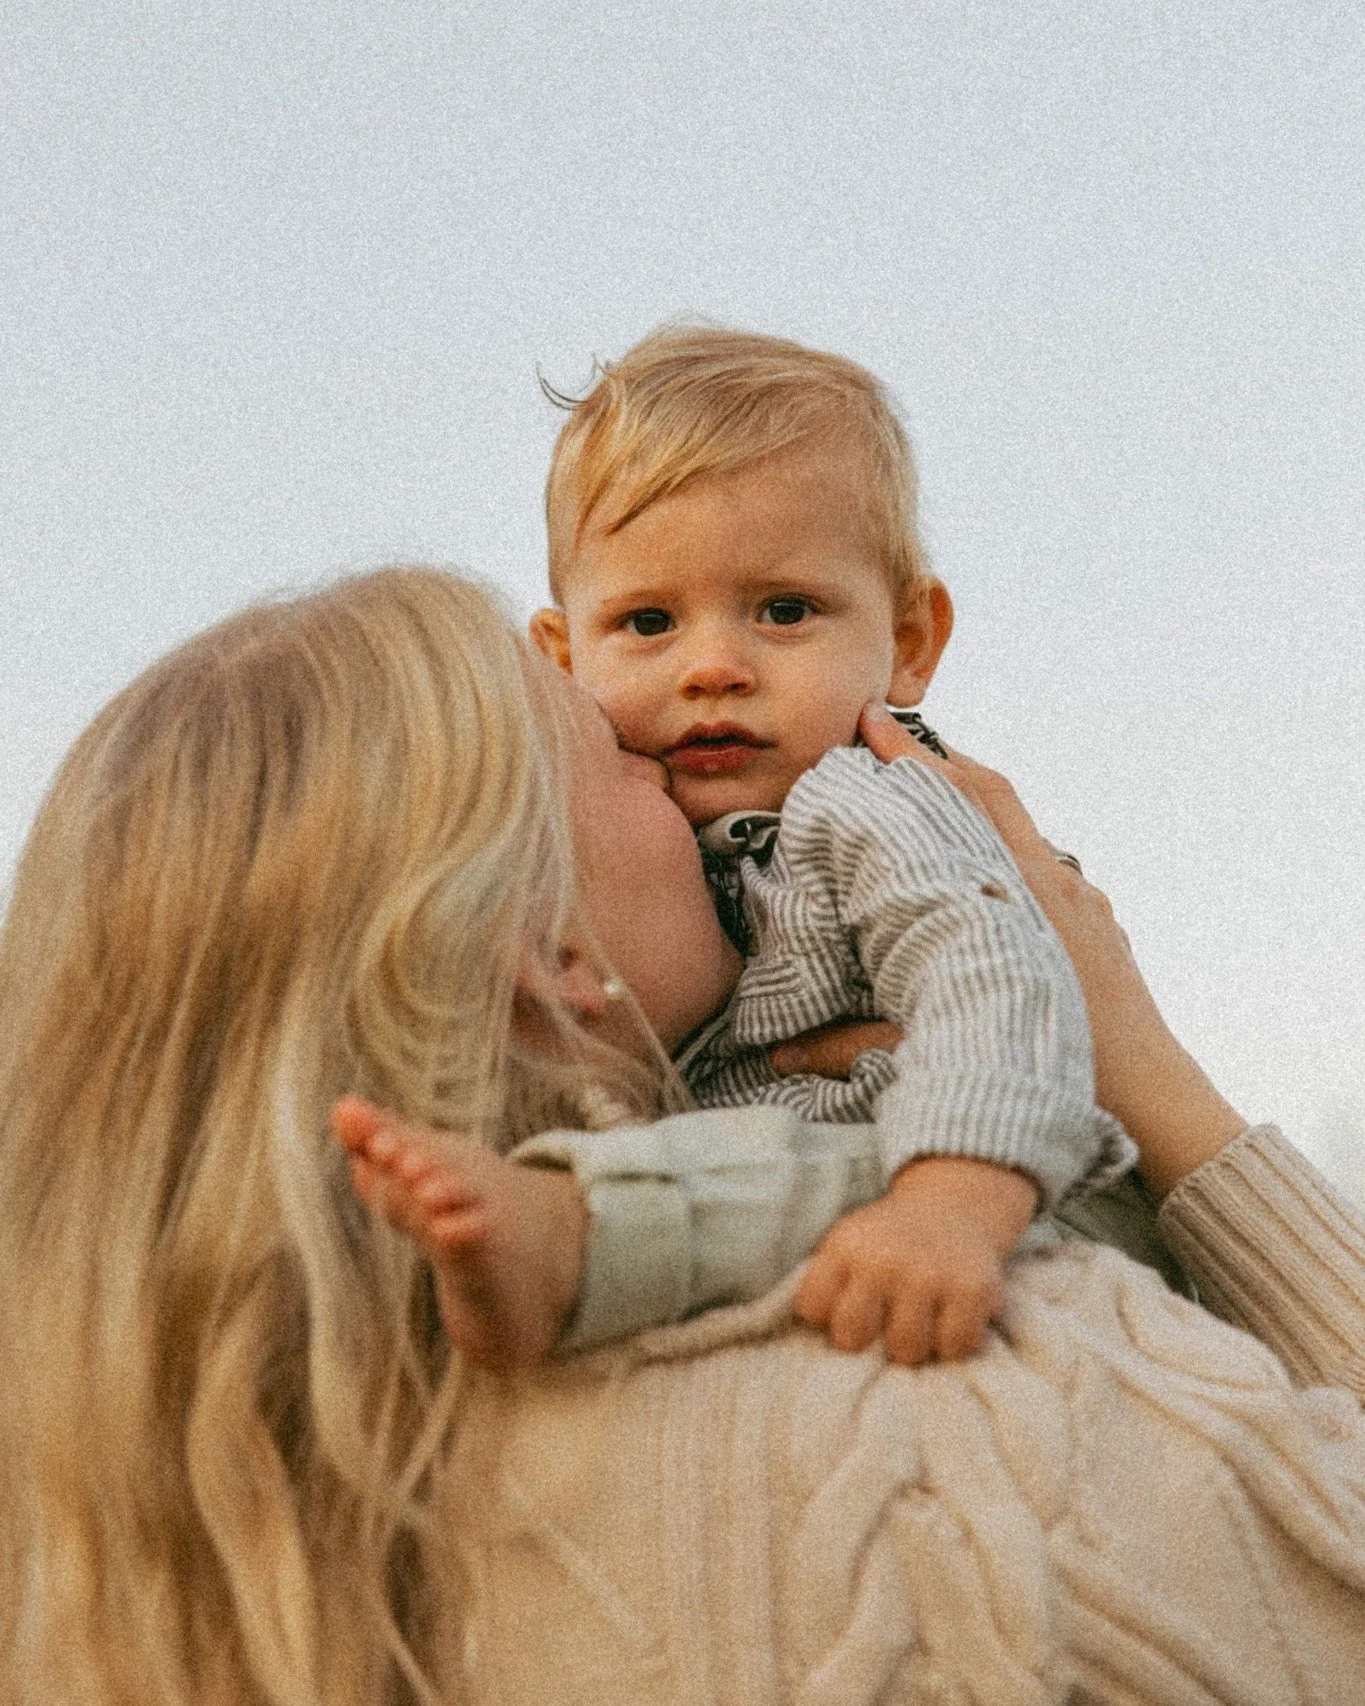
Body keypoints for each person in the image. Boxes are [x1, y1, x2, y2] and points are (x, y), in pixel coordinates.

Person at [3, 566, 1363, 1706]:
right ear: (550, 952)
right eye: (621, 759)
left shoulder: (121, 1564)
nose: (699, 788)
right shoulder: (972, 1411)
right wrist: (1147, 1075)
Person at [520, 324, 1137, 1364]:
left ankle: (563, 1242)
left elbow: (997, 979)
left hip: (1010, 1212)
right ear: (560, 655)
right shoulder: (625, 839)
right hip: (844, 1235)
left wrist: (953, 1201)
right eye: (648, 621)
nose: (714, 663)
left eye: (784, 609)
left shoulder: (871, 800)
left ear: (907, 644)